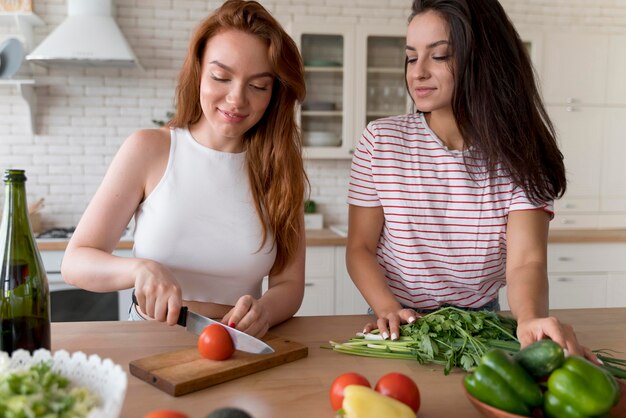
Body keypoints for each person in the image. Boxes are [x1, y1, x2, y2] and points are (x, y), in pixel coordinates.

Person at [347, 0, 596, 359]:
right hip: (396, 321)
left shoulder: (522, 154)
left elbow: (527, 261)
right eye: (411, 56)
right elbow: (360, 248)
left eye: (440, 55)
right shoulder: (381, 140)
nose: (417, 72)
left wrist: (529, 318)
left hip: (482, 327)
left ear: (483, 59)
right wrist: (386, 307)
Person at [61, 0, 308, 339]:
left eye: (258, 86)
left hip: (235, 344)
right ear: (198, 72)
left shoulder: (280, 167)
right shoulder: (149, 149)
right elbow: (75, 262)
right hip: (148, 342)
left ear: (274, 92)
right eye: (221, 77)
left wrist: (265, 310)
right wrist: (140, 269)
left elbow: (289, 283)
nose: (237, 99)